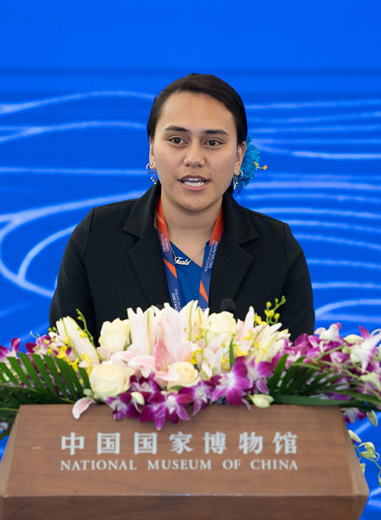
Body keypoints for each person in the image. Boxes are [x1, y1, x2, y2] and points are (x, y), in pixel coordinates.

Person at [49, 73, 314, 340]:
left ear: (238, 156)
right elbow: (63, 357)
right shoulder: (97, 237)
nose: (194, 158)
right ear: (152, 149)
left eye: (213, 142)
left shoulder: (277, 248)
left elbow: (300, 361)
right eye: (177, 140)